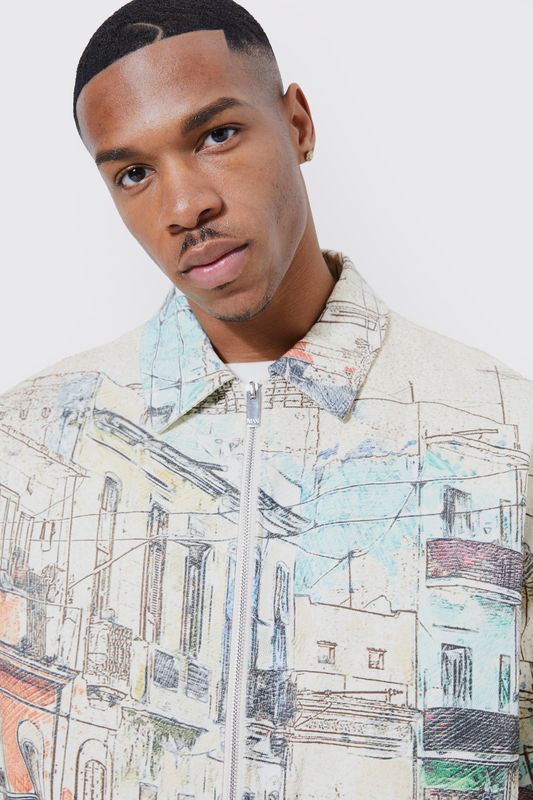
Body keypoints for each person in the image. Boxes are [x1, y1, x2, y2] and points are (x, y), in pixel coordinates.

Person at [0, 1, 531, 799]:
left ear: (298, 125)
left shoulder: (506, 428)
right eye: (133, 174)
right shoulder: (25, 432)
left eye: (217, 135)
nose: (185, 207)